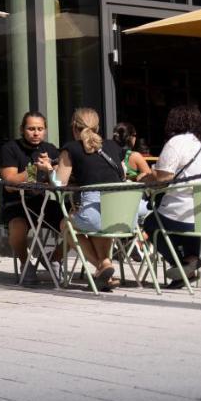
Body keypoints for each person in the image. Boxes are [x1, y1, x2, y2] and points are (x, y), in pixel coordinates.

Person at [53, 108, 135, 289]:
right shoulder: (114, 146)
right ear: (97, 127)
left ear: (74, 127)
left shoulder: (71, 148)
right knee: (100, 222)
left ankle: (100, 266)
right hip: (124, 216)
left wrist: (48, 171)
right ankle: (105, 267)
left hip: (96, 213)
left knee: (66, 226)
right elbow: (123, 174)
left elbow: (60, 183)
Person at [139, 104, 201, 288]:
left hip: (180, 212)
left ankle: (180, 265)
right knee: (189, 223)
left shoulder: (177, 142)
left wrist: (147, 176)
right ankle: (191, 259)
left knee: (151, 223)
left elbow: (163, 177)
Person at [0, 111, 63, 274]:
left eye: (40, 129)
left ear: (45, 130)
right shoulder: (10, 149)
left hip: (43, 202)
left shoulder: (50, 149)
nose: (36, 133)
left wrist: (50, 170)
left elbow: (59, 181)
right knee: (18, 228)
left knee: (74, 225)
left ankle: (53, 257)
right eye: (31, 128)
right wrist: (34, 169)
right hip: (16, 203)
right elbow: (10, 182)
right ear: (22, 129)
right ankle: (26, 264)